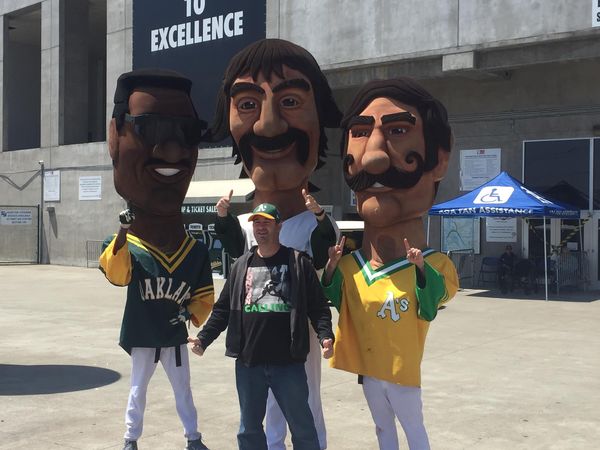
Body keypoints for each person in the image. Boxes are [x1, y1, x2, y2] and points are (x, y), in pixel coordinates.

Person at [210, 38, 342, 450]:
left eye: (289, 101)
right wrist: (223, 220)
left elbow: (326, 255)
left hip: (296, 338)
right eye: (247, 104)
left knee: (305, 405)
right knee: (264, 412)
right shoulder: (252, 229)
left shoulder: (312, 227)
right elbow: (234, 248)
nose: (268, 126)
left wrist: (320, 217)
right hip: (256, 338)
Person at [321, 78, 459, 450]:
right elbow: (331, 296)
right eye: (361, 134)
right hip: (370, 369)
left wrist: (417, 267)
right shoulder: (352, 266)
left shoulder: (438, 265)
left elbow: (430, 305)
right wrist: (332, 265)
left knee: (414, 430)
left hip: (401, 372)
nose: (374, 157)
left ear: (440, 159)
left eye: (398, 130)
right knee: (382, 430)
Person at [99, 69, 214, 450]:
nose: (173, 150)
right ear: (115, 138)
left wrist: (190, 315)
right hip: (144, 338)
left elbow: (203, 297)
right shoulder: (128, 245)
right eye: (149, 127)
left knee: (184, 392)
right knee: (137, 392)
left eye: (188, 133)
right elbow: (114, 276)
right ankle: (131, 439)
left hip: (173, 337)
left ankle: (193, 437)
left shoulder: (194, 251)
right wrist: (121, 233)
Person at [188, 203, 335, 450]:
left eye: (267, 222)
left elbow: (318, 307)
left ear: (279, 226)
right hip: (249, 364)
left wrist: (325, 336)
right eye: (257, 223)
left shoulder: (298, 262)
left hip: (288, 363)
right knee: (249, 429)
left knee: (303, 427)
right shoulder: (240, 265)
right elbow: (223, 310)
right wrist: (203, 339)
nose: (261, 227)